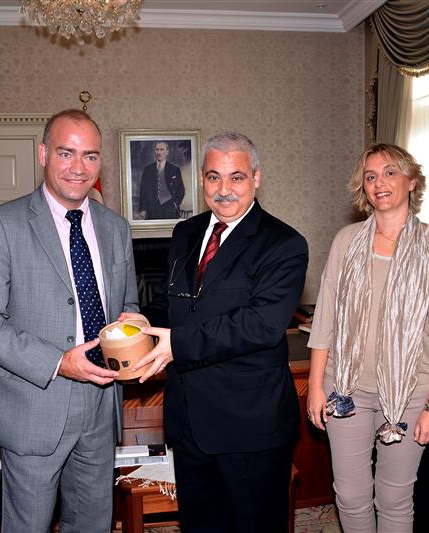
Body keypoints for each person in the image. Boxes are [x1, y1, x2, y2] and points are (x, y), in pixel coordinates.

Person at [0, 109, 139, 532]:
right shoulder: (2, 224)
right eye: (66, 153)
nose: (79, 167)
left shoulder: (116, 228)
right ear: (43, 154)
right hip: (34, 406)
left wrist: (134, 327)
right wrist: (59, 362)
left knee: (93, 524)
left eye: (90, 156)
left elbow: (127, 304)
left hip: (102, 405)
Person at [120, 131, 308, 532]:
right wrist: (141, 321)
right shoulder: (185, 233)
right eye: (213, 177)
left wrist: (177, 344)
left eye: (236, 177)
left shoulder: (284, 244)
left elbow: (261, 325)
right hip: (188, 421)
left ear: (256, 178)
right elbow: (173, 302)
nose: (224, 190)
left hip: (250, 425)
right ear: (201, 179)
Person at [306, 143, 429, 532]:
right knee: (350, 494)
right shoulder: (346, 241)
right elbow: (325, 317)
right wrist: (315, 387)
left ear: (412, 181)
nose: (380, 183)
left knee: (395, 497)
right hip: (346, 389)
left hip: (411, 393)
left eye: (390, 172)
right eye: (371, 176)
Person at [137, 140, 185, 220]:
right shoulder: (147, 169)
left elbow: (181, 190)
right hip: (152, 209)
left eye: (162, 149)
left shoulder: (175, 170)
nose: (159, 152)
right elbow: (143, 191)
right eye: (157, 149)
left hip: (170, 209)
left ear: (167, 152)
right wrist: (143, 210)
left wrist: (175, 204)